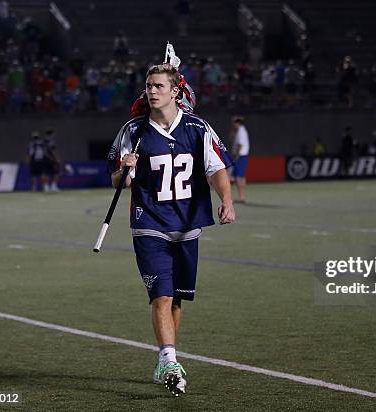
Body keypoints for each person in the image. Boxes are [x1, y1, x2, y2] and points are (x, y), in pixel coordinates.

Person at [107, 59, 235, 397]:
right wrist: (126, 169)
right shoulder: (133, 131)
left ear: (175, 92)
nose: (151, 91)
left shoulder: (197, 128)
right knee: (161, 294)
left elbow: (216, 168)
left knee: (177, 298)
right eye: (148, 86)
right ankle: (169, 359)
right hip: (148, 222)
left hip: (188, 224)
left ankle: (167, 357)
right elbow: (117, 181)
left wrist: (227, 199)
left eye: (158, 86)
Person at [230, 116, 250, 203]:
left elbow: (240, 145)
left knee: (239, 177)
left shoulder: (241, 131)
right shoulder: (240, 131)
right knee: (240, 177)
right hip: (242, 155)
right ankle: (241, 197)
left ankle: (242, 197)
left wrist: (236, 156)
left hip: (240, 155)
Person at [43, 127, 61, 192]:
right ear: (51, 134)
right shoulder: (51, 141)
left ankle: (46, 187)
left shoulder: (43, 141)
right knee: (57, 172)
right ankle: (53, 186)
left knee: (46, 173)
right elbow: (53, 151)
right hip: (51, 159)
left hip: (45, 159)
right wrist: (57, 159)